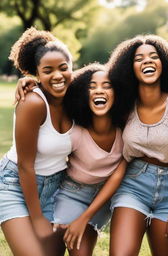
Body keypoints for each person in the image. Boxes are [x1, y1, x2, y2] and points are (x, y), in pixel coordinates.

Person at [107, 34, 168, 256]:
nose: (147, 61)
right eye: (139, 58)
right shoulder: (124, 105)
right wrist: (32, 82)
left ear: (163, 64)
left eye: (153, 56)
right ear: (130, 68)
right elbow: (86, 87)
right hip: (134, 184)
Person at [0, 27, 73, 256]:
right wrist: (37, 217)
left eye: (63, 68)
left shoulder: (79, 92)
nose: (58, 76)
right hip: (16, 185)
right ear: (37, 75)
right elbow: (25, 166)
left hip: (55, 188)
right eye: (48, 71)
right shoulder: (33, 103)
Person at [53, 63, 126, 256]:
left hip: (103, 200)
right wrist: (31, 84)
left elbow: (117, 177)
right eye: (91, 86)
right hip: (71, 194)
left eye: (106, 86)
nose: (99, 91)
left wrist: (84, 218)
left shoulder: (125, 129)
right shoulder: (75, 132)